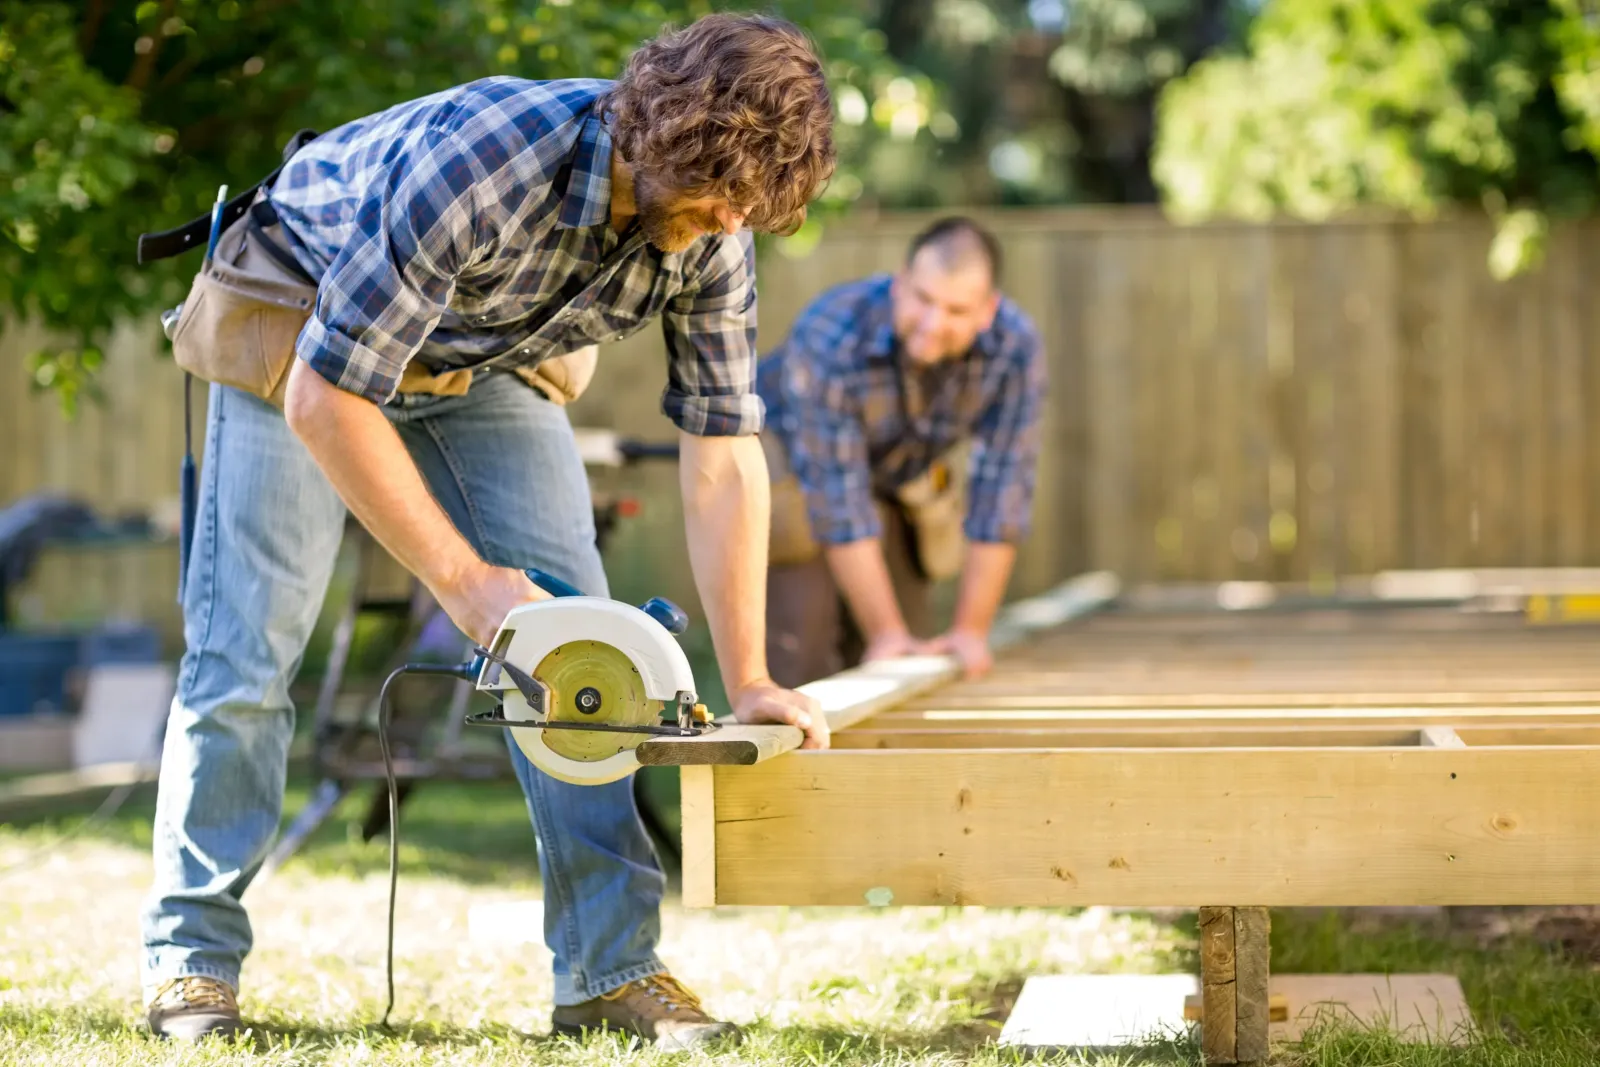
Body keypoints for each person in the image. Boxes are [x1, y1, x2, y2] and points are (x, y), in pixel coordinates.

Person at [139, 13, 834, 1049]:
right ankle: (191, 963)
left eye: (753, 206)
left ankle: (609, 971)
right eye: (721, 195)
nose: (735, 221)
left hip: (478, 361)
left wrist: (752, 675)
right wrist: (465, 584)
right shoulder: (485, 163)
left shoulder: (714, 233)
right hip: (306, 325)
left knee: (586, 657)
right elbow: (329, 398)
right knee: (248, 648)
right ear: (661, 140)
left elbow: (725, 448)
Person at [757, 217, 1045, 687]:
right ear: (900, 283)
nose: (933, 325)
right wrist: (884, 632)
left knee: (911, 653)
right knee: (806, 645)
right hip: (789, 462)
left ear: (987, 311)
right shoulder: (833, 331)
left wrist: (971, 632)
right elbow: (838, 498)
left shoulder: (1015, 348)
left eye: (956, 311)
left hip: (894, 471)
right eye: (924, 299)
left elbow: (1003, 491)